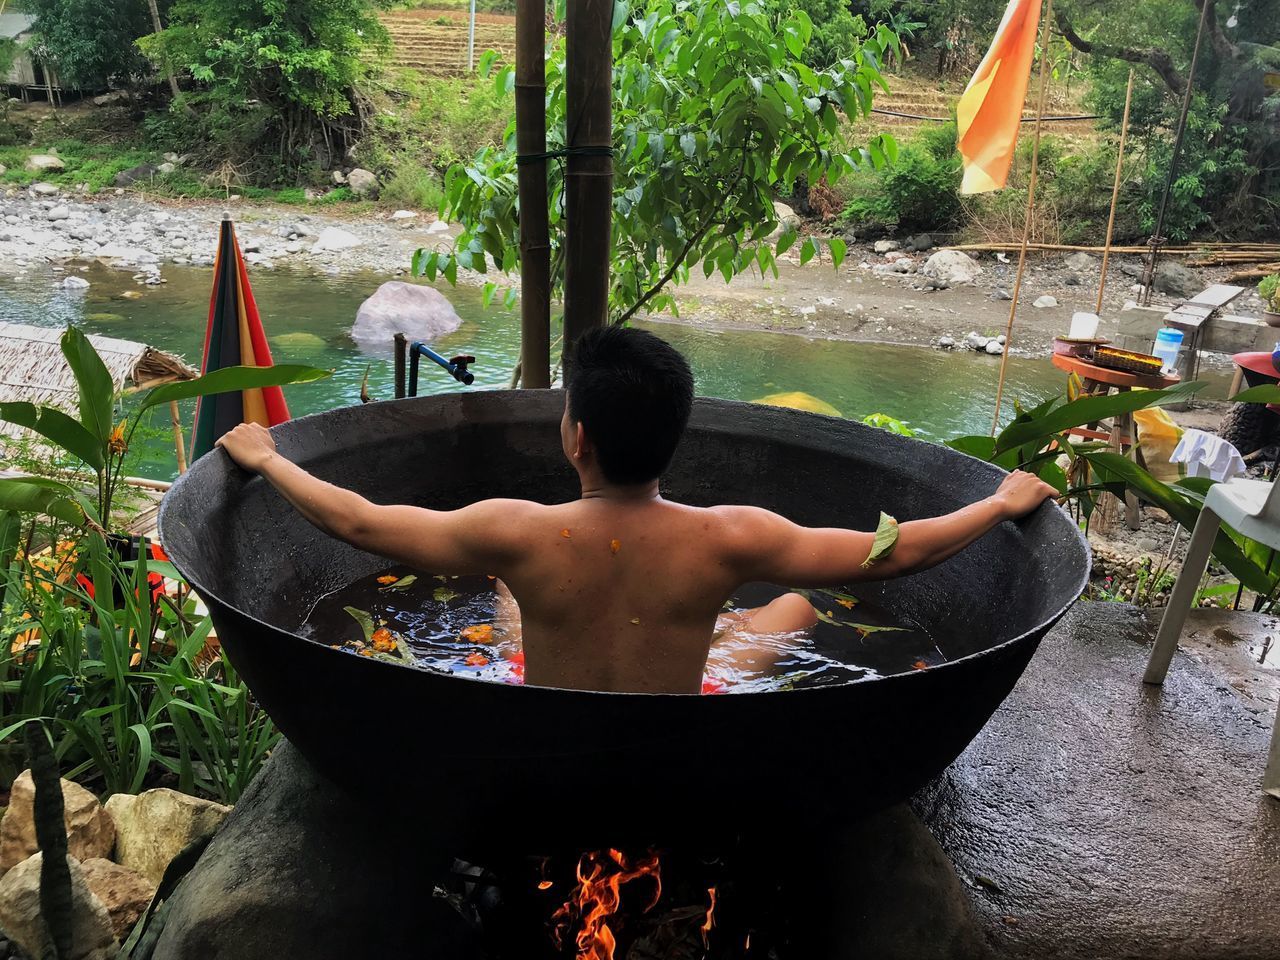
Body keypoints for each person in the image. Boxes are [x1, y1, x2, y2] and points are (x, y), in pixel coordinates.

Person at [216, 326, 1057, 695]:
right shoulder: (730, 536)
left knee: (512, 590)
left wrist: (268, 457)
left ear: (574, 436)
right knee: (795, 602)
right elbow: (891, 553)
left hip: (539, 715)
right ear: (677, 436)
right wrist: (997, 502)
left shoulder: (516, 530)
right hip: (679, 732)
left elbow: (360, 521)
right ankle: (705, 634)